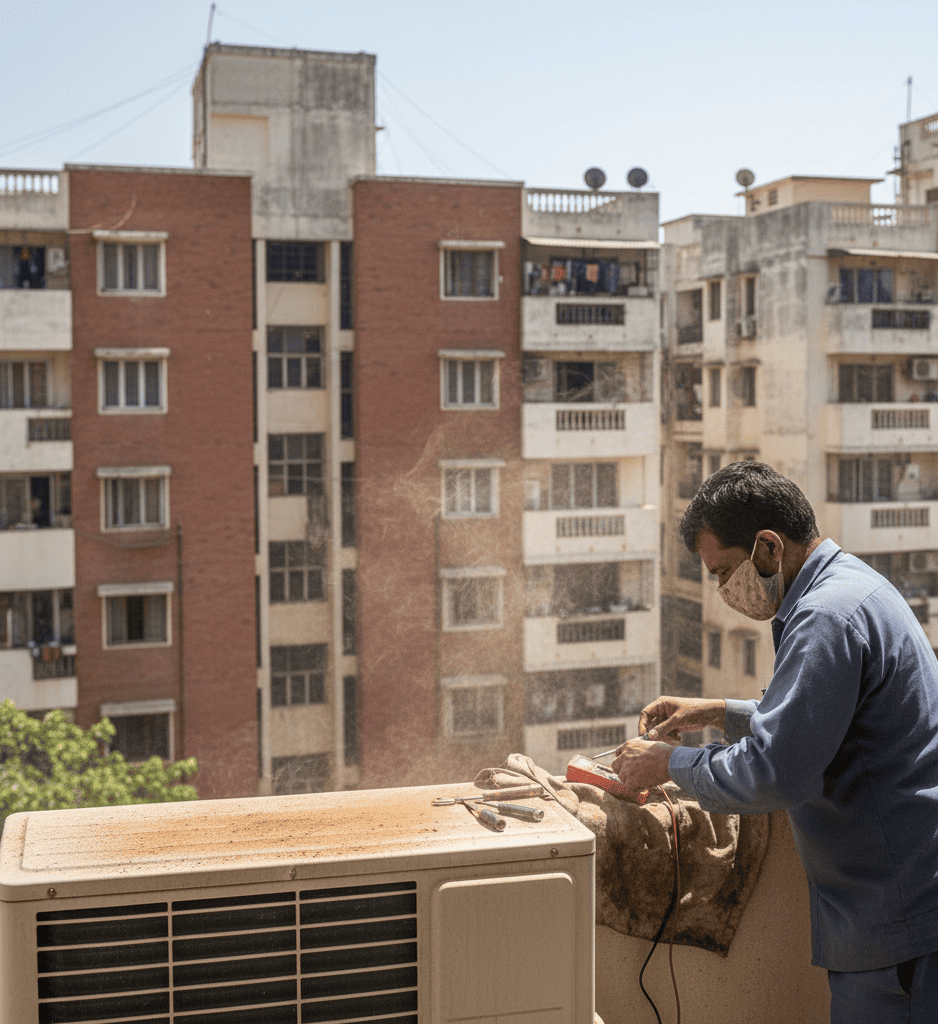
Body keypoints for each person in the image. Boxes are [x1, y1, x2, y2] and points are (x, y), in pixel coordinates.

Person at [613, 460, 938, 1023]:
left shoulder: (824, 617)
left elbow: (777, 771)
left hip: (899, 922)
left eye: (723, 571)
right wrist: (717, 712)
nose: (721, 591)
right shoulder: (849, 588)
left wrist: (670, 763)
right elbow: (821, 721)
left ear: (768, 546)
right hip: (900, 909)